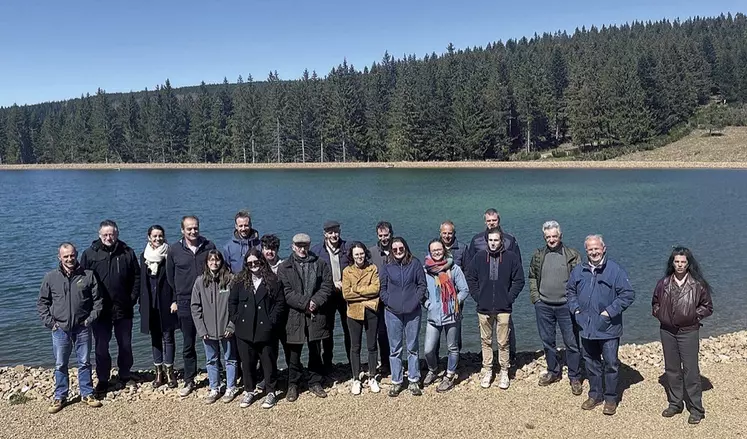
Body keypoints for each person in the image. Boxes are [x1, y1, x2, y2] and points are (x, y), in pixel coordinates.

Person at [567, 235, 635, 416]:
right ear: (586, 251)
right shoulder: (579, 270)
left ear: (604, 248)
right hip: (586, 327)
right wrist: (575, 310)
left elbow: (627, 294)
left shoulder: (615, 270)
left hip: (608, 328)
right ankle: (595, 395)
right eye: (590, 249)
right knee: (591, 363)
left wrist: (609, 312)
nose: (594, 252)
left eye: (597, 248)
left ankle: (611, 398)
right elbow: (570, 291)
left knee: (611, 364)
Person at [37, 243, 103, 413]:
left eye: (72, 255)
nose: (69, 259)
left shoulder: (88, 275)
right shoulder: (50, 277)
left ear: (76, 255)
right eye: (65, 256)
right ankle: (60, 396)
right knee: (60, 364)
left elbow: (98, 301)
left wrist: (89, 320)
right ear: (59, 257)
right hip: (60, 328)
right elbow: (43, 303)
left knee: (85, 362)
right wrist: (51, 324)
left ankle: (87, 393)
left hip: (83, 327)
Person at [652, 247, 713, 425]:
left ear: (688, 264)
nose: (679, 265)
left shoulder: (697, 284)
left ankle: (696, 409)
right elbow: (655, 302)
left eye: (683, 262)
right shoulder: (663, 283)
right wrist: (660, 313)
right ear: (672, 263)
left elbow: (708, 306)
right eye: (677, 261)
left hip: (689, 332)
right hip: (667, 331)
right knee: (672, 369)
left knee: (691, 370)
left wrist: (694, 316)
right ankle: (675, 403)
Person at [79, 219, 140, 393]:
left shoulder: (127, 252)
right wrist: (87, 305)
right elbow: (82, 281)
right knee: (101, 347)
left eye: (111, 234)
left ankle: (125, 374)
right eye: (105, 234)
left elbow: (136, 276)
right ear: (99, 235)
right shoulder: (90, 254)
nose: (108, 237)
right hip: (100, 311)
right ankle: (103, 379)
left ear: (117, 234)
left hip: (123, 308)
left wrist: (132, 298)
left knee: (125, 345)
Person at [466, 227, 525, 390]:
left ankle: (504, 371)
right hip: (483, 308)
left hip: (503, 308)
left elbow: (519, 280)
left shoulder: (511, 258)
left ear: (501, 241)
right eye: (490, 240)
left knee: (503, 341)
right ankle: (488, 369)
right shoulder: (478, 257)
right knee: (485, 341)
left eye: (496, 240)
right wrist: (478, 296)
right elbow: (470, 278)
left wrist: (509, 297)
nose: (493, 243)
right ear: (487, 241)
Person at [528, 221, 583, 395]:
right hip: (544, 305)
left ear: (560, 236)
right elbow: (531, 277)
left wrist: (574, 302)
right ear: (544, 238)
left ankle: (575, 376)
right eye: (548, 237)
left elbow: (580, 280)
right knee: (548, 341)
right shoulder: (538, 255)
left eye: (554, 236)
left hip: (566, 306)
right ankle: (553, 371)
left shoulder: (572, 255)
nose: (552, 240)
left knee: (572, 342)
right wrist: (536, 299)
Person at [277, 233, 333, 401]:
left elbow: (327, 285)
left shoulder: (320, 263)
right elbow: (286, 292)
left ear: (309, 246)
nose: (302, 249)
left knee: (315, 350)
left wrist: (315, 301)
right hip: (294, 315)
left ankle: (315, 381)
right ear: (293, 246)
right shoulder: (284, 267)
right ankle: (293, 384)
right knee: (293, 353)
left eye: (305, 246)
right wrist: (305, 303)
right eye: (299, 246)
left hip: (315, 315)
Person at [166, 215, 217, 397]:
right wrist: (175, 300)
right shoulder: (174, 250)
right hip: (185, 302)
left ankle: (215, 379)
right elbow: (170, 278)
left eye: (195, 228)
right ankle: (189, 379)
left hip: (208, 300)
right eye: (189, 229)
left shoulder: (209, 246)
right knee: (188, 343)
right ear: (182, 230)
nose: (193, 231)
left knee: (211, 339)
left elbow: (217, 269)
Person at [229, 249, 286, 409]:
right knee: (247, 363)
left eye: (256, 262)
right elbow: (232, 303)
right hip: (244, 330)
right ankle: (249, 391)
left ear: (262, 261)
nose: (254, 265)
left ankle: (270, 392)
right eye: (250, 263)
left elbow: (280, 304)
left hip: (266, 330)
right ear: (246, 265)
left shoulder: (273, 281)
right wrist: (236, 319)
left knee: (268, 362)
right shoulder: (239, 282)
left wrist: (271, 322)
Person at [464, 209, 521, 363]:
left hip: (504, 294)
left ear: (499, 220)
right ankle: (487, 360)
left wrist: (510, 296)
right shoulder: (476, 241)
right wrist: (477, 295)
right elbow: (470, 270)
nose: (491, 223)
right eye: (488, 221)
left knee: (507, 328)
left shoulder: (509, 240)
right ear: (485, 222)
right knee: (486, 333)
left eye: (494, 220)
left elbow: (517, 270)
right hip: (484, 295)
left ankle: (511, 356)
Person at [380, 237, 427, 397]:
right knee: (395, 349)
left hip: (413, 312)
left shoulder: (415, 264)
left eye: (401, 248)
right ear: (391, 251)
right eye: (395, 249)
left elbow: (422, 285)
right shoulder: (387, 267)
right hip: (392, 313)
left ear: (406, 248)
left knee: (412, 347)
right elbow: (383, 288)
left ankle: (414, 380)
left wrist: (415, 301)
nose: (398, 251)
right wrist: (389, 301)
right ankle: (397, 381)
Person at [191, 250, 239, 404]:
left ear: (221, 261)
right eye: (211, 260)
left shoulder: (230, 280)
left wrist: (232, 326)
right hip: (208, 331)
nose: (214, 263)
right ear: (206, 262)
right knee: (211, 360)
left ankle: (231, 387)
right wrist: (201, 329)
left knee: (230, 359)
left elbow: (237, 305)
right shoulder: (200, 281)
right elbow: (195, 307)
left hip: (227, 330)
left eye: (217, 260)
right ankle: (214, 388)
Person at [422, 239, 469, 392]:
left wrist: (454, 302)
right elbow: (420, 291)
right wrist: (428, 304)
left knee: (452, 347)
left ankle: (449, 375)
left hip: (452, 315)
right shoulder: (425, 270)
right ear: (429, 252)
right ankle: (433, 369)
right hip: (433, 316)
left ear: (444, 250)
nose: (437, 252)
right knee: (428, 350)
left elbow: (464, 290)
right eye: (433, 250)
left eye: (439, 249)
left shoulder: (454, 269)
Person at [139, 225, 178, 388]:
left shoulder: (170, 254)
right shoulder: (143, 256)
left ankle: (170, 373)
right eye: (154, 236)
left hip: (167, 301)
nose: (157, 239)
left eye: (160, 236)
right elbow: (142, 281)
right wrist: (141, 302)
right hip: (150, 302)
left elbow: (176, 279)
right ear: (149, 237)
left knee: (168, 337)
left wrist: (175, 300)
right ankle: (158, 373)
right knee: (155, 338)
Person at [312, 220, 352, 375]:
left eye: (336, 231)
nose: (334, 235)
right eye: (330, 232)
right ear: (325, 234)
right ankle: (327, 363)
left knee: (349, 329)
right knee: (327, 331)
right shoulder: (317, 251)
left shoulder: (347, 248)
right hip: (327, 296)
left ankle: (351, 363)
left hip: (345, 295)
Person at [341, 242, 381, 395]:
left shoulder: (373, 269)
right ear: (352, 255)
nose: (359, 256)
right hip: (354, 312)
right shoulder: (347, 271)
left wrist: (356, 289)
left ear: (365, 253)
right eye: (356, 254)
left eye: (362, 253)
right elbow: (346, 294)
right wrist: (365, 294)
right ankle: (356, 378)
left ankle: (372, 376)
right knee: (355, 347)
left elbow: (375, 289)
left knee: (372, 345)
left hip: (371, 310)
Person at [369, 221, 393, 375]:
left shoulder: (398, 248)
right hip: (378, 299)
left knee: (396, 331)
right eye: (381, 235)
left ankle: (397, 360)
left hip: (395, 297)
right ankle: (385, 362)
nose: (384, 238)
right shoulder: (371, 252)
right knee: (381, 332)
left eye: (386, 235)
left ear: (391, 234)